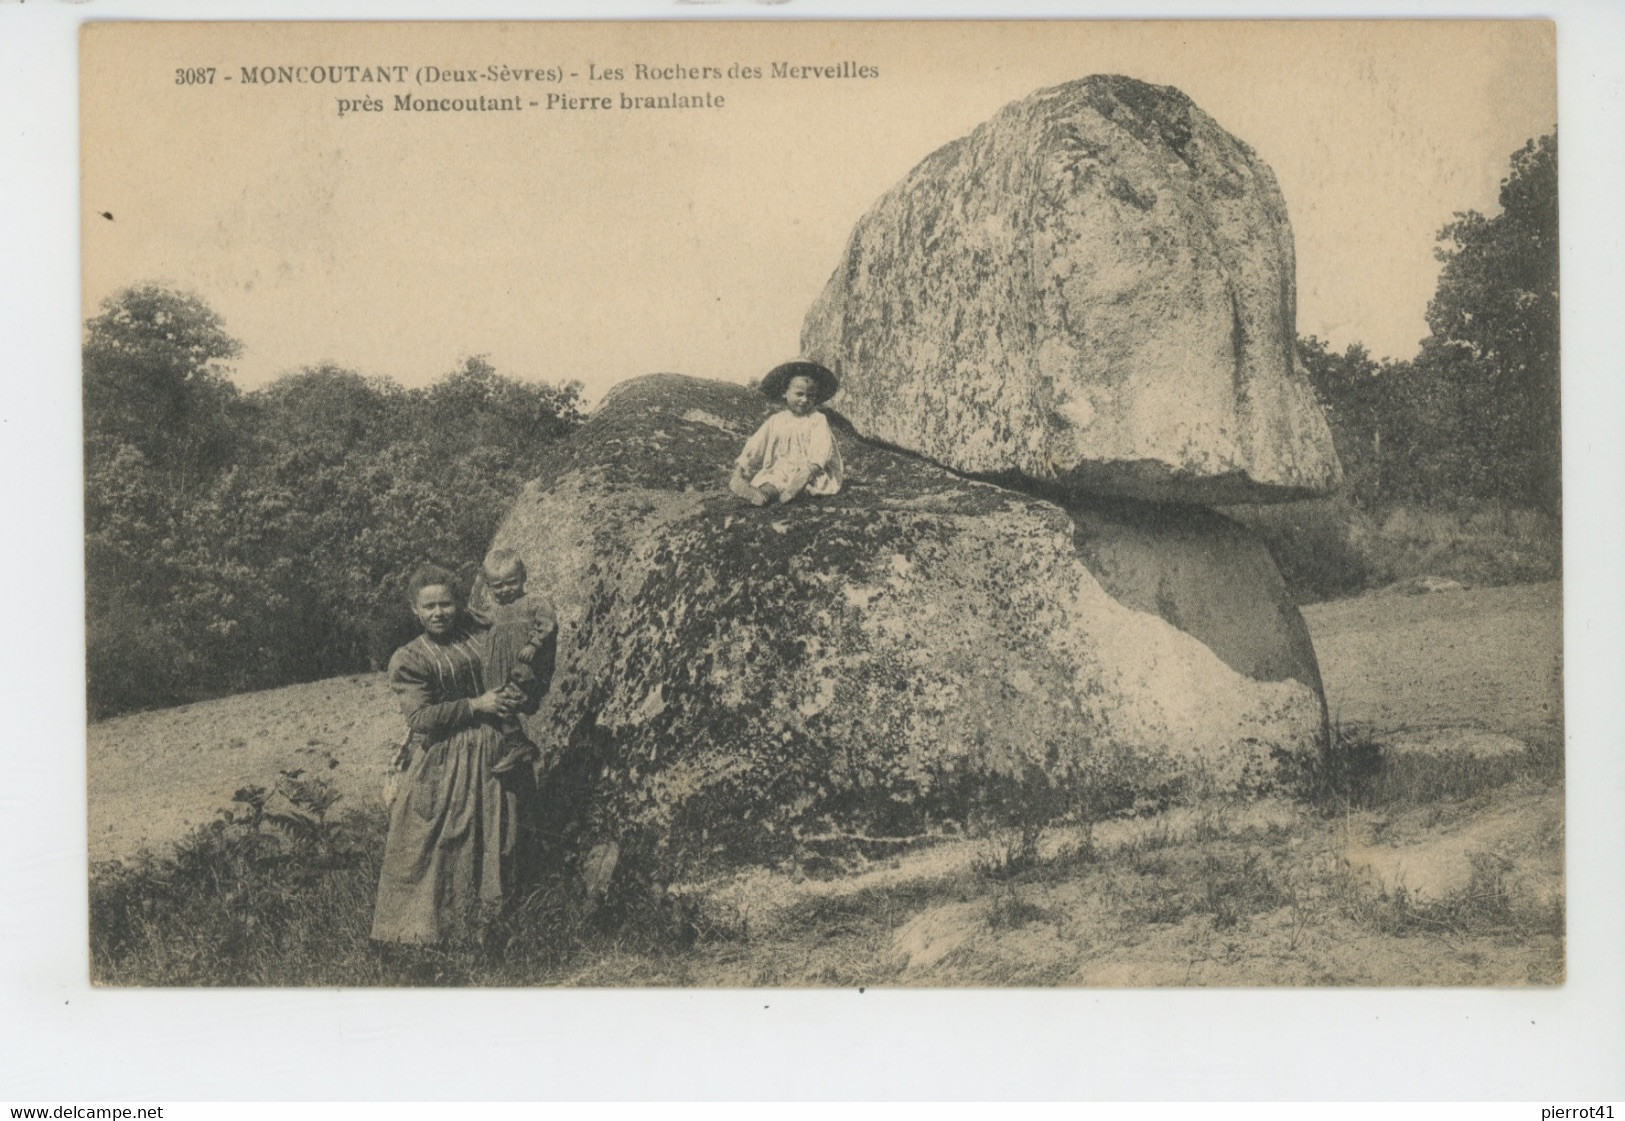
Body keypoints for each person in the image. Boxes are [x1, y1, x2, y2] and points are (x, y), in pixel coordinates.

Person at [370, 565, 538, 945]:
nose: (438, 613)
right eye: (428, 607)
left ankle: (499, 929)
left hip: (499, 747)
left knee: (502, 835)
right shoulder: (411, 658)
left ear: (458, 603)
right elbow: (421, 718)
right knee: (449, 844)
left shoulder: (481, 630)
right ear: (414, 610)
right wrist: (477, 704)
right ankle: (438, 933)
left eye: (445, 604)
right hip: (450, 758)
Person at [468, 548, 558, 777]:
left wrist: (534, 644)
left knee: (512, 699)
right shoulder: (493, 611)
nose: (506, 589)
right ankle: (516, 743)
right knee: (498, 702)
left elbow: (547, 623)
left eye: (511, 583)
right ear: (489, 585)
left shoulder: (533, 603)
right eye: (498, 585)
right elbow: (473, 619)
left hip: (524, 667)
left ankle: (519, 744)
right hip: (498, 671)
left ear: (523, 577)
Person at [729, 360, 845, 506]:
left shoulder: (817, 420)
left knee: (810, 485)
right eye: (799, 394)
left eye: (811, 396)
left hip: (809, 471)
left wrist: (807, 473)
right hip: (781, 470)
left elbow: (822, 450)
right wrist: (741, 468)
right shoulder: (776, 420)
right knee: (772, 481)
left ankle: (795, 491)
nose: (804, 400)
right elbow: (756, 444)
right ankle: (760, 494)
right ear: (785, 392)